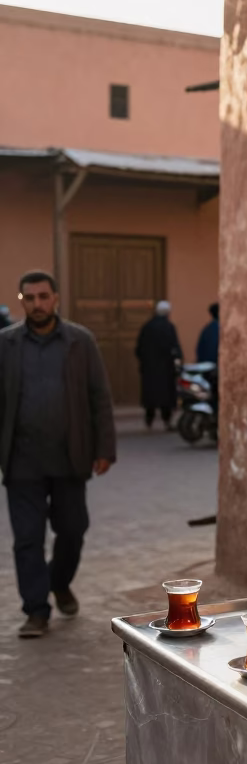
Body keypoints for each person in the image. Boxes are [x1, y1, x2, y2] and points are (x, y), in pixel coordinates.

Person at [0, 270, 116, 638]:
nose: (37, 304)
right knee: (28, 538)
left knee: (73, 530)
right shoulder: (6, 344)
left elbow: (99, 397)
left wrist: (104, 448)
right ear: (22, 302)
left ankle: (59, 581)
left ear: (56, 298)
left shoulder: (80, 341)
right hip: (22, 461)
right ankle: (36, 610)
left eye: (43, 296)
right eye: (29, 298)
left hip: (70, 458)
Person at [135, 301, 181, 430]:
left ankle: (149, 421)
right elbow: (174, 348)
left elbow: (139, 349)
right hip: (166, 369)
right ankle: (167, 421)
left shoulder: (147, 327)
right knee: (166, 396)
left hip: (149, 369)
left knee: (150, 396)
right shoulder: (169, 327)